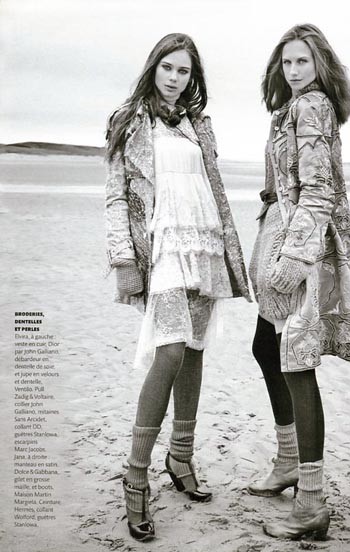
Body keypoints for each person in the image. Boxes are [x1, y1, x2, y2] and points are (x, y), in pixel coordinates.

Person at [248, 23, 350, 541]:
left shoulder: (311, 106)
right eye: (286, 62)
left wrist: (294, 257)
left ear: (319, 65)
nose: (293, 71)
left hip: (300, 248)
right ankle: (289, 461)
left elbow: (318, 190)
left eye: (302, 62)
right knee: (266, 347)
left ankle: (311, 503)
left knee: (296, 362)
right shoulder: (291, 108)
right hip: (282, 235)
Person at [105, 33, 250, 542]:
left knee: (194, 350)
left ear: (193, 78)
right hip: (162, 247)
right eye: (167, 67)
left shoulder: (198, 125)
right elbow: (116, 197)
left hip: (204, 242)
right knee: (168, 352)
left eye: (184, 71)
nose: (174, 77)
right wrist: (123, 259)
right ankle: (136, 475)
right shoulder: (129, 121)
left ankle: (181, 456)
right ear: (153, 68)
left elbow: (212, 187)